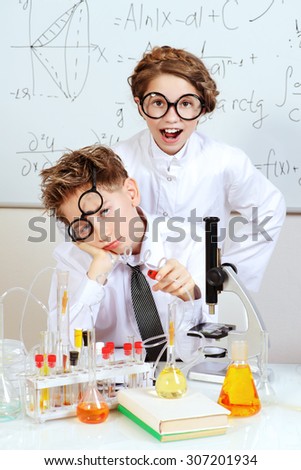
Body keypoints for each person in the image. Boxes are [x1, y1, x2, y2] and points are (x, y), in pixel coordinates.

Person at [113, 45, 286, 293]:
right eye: (158, 103)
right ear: (140, 106)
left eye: (186, 103)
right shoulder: (117, 161)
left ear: (202, 107)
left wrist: (226, 274)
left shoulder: (225, 161)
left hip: (199, 294)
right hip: (133, 294)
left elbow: (270, 208)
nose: (171, 117)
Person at [40, 145, 209, 362]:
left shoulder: (189, 242)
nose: (103, 233)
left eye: (105, 212)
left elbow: (199, 349)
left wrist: (190, 297)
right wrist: (95, 277)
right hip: (112, 385)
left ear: (131, 193)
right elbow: (62, 352)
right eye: (83, 227)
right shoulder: (72, 260)